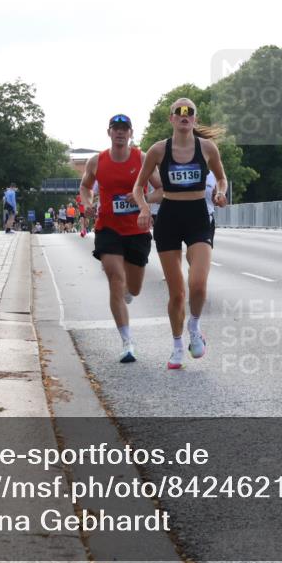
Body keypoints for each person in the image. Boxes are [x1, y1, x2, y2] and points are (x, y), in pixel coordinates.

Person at [133, 99, 228, 370]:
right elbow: (138, 187)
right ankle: (177, 345)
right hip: (169, 219)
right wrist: (143, 208)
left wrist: (220, 192)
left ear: (195, 119)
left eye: (190, 112)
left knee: (198, 285)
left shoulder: (207, 148)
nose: (185, 115)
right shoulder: (158, 150)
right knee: (177, 294)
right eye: (179, 112)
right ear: (171, 118)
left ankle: (194, 326)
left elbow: (221, 178)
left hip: (198, 216)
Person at [81, 114, 163, 363]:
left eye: (124, 129)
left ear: (130, 133)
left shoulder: (142, 158)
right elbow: (85, 187)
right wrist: (88, 203)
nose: (119, 133)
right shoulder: (96, 161)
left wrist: (141, 199)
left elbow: (161, 190)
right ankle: (127, 342)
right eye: (115, 129)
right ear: (109, 133)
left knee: (134, 289)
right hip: (108, 228)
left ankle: (129, 289)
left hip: (138, 229)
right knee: (115, 278)